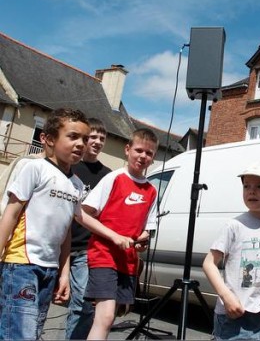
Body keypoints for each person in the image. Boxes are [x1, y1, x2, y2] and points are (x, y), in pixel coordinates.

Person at [0, 108, 89, 340]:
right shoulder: (34, 168)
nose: (81, 143)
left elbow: (66, 231)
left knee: (35, 330)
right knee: (20, 333)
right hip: (21, 264)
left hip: (49, 269)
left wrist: (64, 273)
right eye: (73, 136)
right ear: (49, 139)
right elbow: (10, 214)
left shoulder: (77, 185)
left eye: (85, 139)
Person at [75, 128, 159, 340]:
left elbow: (146, 230)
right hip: (103, 255)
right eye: (139, 150)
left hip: (128, 261)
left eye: (149, 153)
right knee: (105, 316)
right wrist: (113, 236)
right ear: (127, 149)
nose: (143, 156)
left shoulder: (151, 191)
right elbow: (82, 215)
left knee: (113, 316)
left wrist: (143, 240)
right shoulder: (114, 178)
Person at [202, 161, 260, 340]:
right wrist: (226, 296)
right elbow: (209, 263)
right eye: (246, 186)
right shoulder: (234, 226)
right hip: (234, 316)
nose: (252, 191)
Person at [65, 118, 112, 340]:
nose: (97, 141)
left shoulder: (108, 175)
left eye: (101, 138)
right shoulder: (70, 166)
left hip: (86, 248)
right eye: (93, 137)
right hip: (61, 244)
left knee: (83, 305)